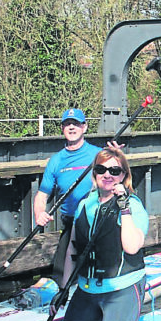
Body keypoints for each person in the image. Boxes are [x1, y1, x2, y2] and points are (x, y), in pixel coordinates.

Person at [52, 146, 159, 321]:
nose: (108, 175)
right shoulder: (84, 204)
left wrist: (124, 209)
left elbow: (132, 246)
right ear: (95, 173)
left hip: (122, 289)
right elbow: (73, 248)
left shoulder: (133, 205)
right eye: (102, 169)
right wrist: (63, 289)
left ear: (124, 176)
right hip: (87, 290)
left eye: (115, 171)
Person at [34, 108, 103, 281]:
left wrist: (117, 155)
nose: (72, 128)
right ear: (62, 129)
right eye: (67, 124)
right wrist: (39, 213)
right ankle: (59, 299)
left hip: (97, 222)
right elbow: (42, 195)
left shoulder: (98, 155)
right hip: (71, 224)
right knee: (60, 274)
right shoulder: (56, 161)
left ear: (84, 127)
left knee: (97, 272)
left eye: (76, 124)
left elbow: (119, 175)